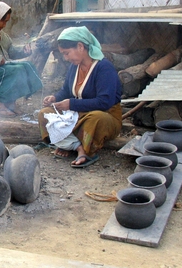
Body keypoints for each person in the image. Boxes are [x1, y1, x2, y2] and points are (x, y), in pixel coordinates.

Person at [37, 26, 122, 169]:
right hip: (76, 115)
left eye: (67, 53)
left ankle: (83, 149)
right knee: (44, 114)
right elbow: (66, 90)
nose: (65, 58)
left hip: (105, 116)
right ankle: (77, 147)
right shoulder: (74, 67)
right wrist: (55, 98)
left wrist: (71, 104)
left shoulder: (104, 68)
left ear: (80, 46)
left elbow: (104, 102)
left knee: (95, 119)